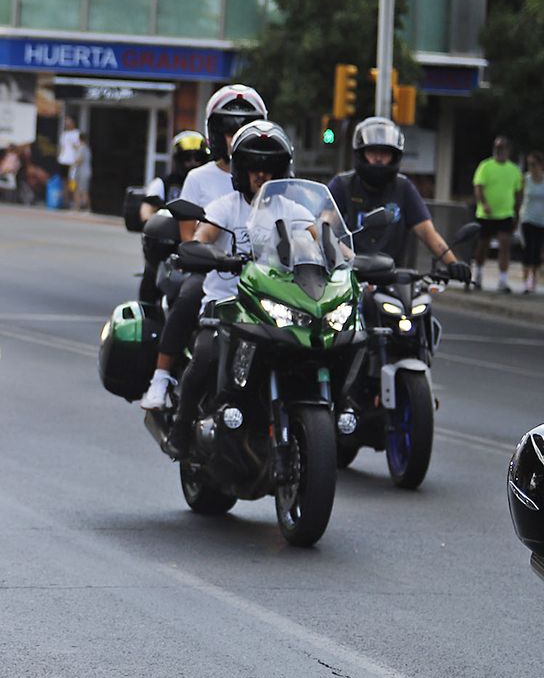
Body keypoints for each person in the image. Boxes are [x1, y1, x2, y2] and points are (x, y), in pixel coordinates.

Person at [167, 121, 308, 457]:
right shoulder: (226, 206)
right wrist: (204, 251)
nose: (261, 174)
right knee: (204, 355)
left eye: (269, 168)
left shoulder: (293, 211)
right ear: (241, 170)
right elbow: (203, 236)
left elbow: (321, 240)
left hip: (277, 303)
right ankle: (182, 427)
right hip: (227, 303)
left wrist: (348, 259)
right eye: (254, 167)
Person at [140, 85, 268, 410]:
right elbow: (189, 236)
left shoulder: (271, 178)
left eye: (244, 129)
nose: (236, 137)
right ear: (215, 134)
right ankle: (161, 376)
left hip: (265, 275)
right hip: (214, 270)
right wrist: (211, 256)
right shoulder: (199, 178)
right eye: (229, 131)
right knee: (189, 295)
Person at [326, 117, 469, 282]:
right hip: (348, 278)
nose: (379, 158)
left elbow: (427, 232)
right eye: (373, 152)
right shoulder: (343, 185)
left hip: (393, 279)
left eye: (385, 153)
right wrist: (349, 257)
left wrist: (453, 263)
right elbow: (323, 225)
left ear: (395, 156)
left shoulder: (404, 188)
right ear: (361, 154)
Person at [137, 130, 209, 303]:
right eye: (187, 158)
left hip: (204, 249)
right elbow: (146, 209)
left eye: (197, 158)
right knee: (152, 276)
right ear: (178, 160)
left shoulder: (211, 183)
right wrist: (154, 223)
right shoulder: (164, 183)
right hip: (169, 249)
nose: (192, 163)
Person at [473, 136, 524, 292]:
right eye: (497, 148)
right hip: (486, 215)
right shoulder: (485, 166)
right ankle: (479, 275)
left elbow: (518, 193)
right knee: (483, 245)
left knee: (505, 245)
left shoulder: (514, 170)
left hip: (505, 214)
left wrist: (516, 212)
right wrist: (484, 203)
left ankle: (502, 280)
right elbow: (478, 186)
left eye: (502, 148)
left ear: (508, 151)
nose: (499, 151)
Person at [520, 152, 544, 294]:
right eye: (529, 165)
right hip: (527, 218)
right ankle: (525, 279)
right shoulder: (526, 179)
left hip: (541, 220)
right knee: (528, 248)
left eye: (534, 164)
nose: (531, 167)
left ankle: (533, 277)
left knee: (537, 249)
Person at [72, 131, 93, 212]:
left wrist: (73, 163)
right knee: (82, 190)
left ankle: (82, 207)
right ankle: (82, 207)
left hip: (82, 172)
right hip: (85, 172)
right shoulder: (87, 148)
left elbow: (80, 159)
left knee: (80, 190)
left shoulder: (82, 148)